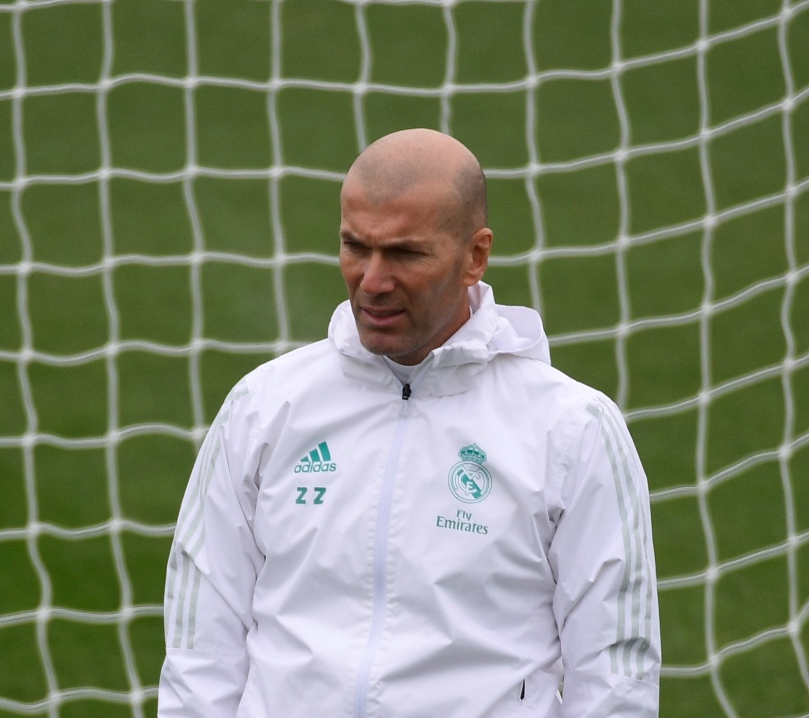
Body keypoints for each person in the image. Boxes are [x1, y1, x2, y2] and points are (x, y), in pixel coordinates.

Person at [158, 128, 660, 717]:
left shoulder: (573, 431)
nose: (371, 281)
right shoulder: (264, 407)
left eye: (404, 253)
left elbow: (615, 671)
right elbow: (201, 645)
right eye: (355, 246)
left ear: (475, 256)